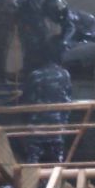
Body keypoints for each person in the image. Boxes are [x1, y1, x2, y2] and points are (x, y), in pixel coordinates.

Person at [20, 37, 72, 165]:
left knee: (33, 165)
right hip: (57, 129)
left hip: (36, 131)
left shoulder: (35, 76)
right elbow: (68, 100)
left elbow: (26, 101)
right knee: (57, 166)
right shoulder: (65, 75)